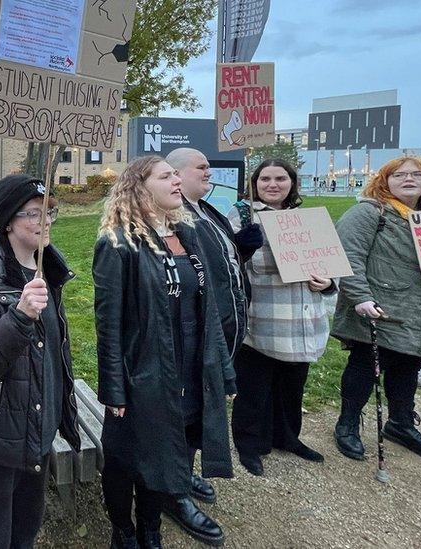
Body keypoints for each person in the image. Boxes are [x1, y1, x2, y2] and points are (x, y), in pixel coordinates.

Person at [94, 156, 235, 549]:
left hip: (187, 370)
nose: (177, 180)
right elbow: (109, 325)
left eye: (176, 174)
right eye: (166, 175)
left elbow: (205, 312)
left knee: (168, 451)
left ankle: (151, 528)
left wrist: (221, 370)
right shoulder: (118, 243)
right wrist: (115, 389)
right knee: (126, 460)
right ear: (141, 187)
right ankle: (123, 531)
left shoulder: (188, 236)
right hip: (143, 372)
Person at [0, 174, 81, 548]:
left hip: (36, 427)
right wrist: (20, 316)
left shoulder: (48, 270)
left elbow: (54, 353)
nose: (45, 221)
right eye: (34, 214)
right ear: (8, 221)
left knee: (26, 525)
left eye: (49, 212)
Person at [162, 148, 264, 543]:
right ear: (177, 174)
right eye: (201, 167)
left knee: (203, 407)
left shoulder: (208, 210)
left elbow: (221, 261)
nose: (209, 171)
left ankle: (184, 474)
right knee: (187, 411)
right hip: (198, 335)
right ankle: (174, 492)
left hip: (225, 330)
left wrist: (242, 246)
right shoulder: (175, 217)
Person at [331, 156, 421, 465]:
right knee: (365, 366)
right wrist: (359, 297)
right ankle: (347, 424)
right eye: (400, 175)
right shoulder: (370, 213)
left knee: (409, 366)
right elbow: (348, 256)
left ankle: (401, 423)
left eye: (417, 174)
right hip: (380, 308)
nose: (409, 179)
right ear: (385, 180)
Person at [228, 159, 335, 476]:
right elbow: (228, 262)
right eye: (265, 179)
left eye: (280, 178)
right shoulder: (243, 215)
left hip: (303, 319)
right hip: (263, 316)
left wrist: (329, 283)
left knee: (292, 385)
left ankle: (288, 437)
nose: (272, 184)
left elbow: (331, 263)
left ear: (292, 183)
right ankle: (249, 443)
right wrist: (242, 247)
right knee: (254, 388)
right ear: (254, 183)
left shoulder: (306, 219)